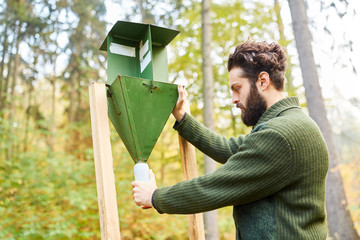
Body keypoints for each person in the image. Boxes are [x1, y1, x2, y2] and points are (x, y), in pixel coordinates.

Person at [132, 40, 329, 239]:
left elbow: (216, 186)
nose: (234, 99)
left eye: (237, 88)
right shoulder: (291, 124)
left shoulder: (280, 135)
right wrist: (182, 117)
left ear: (263, 81)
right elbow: (228, 148)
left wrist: (156, 197)